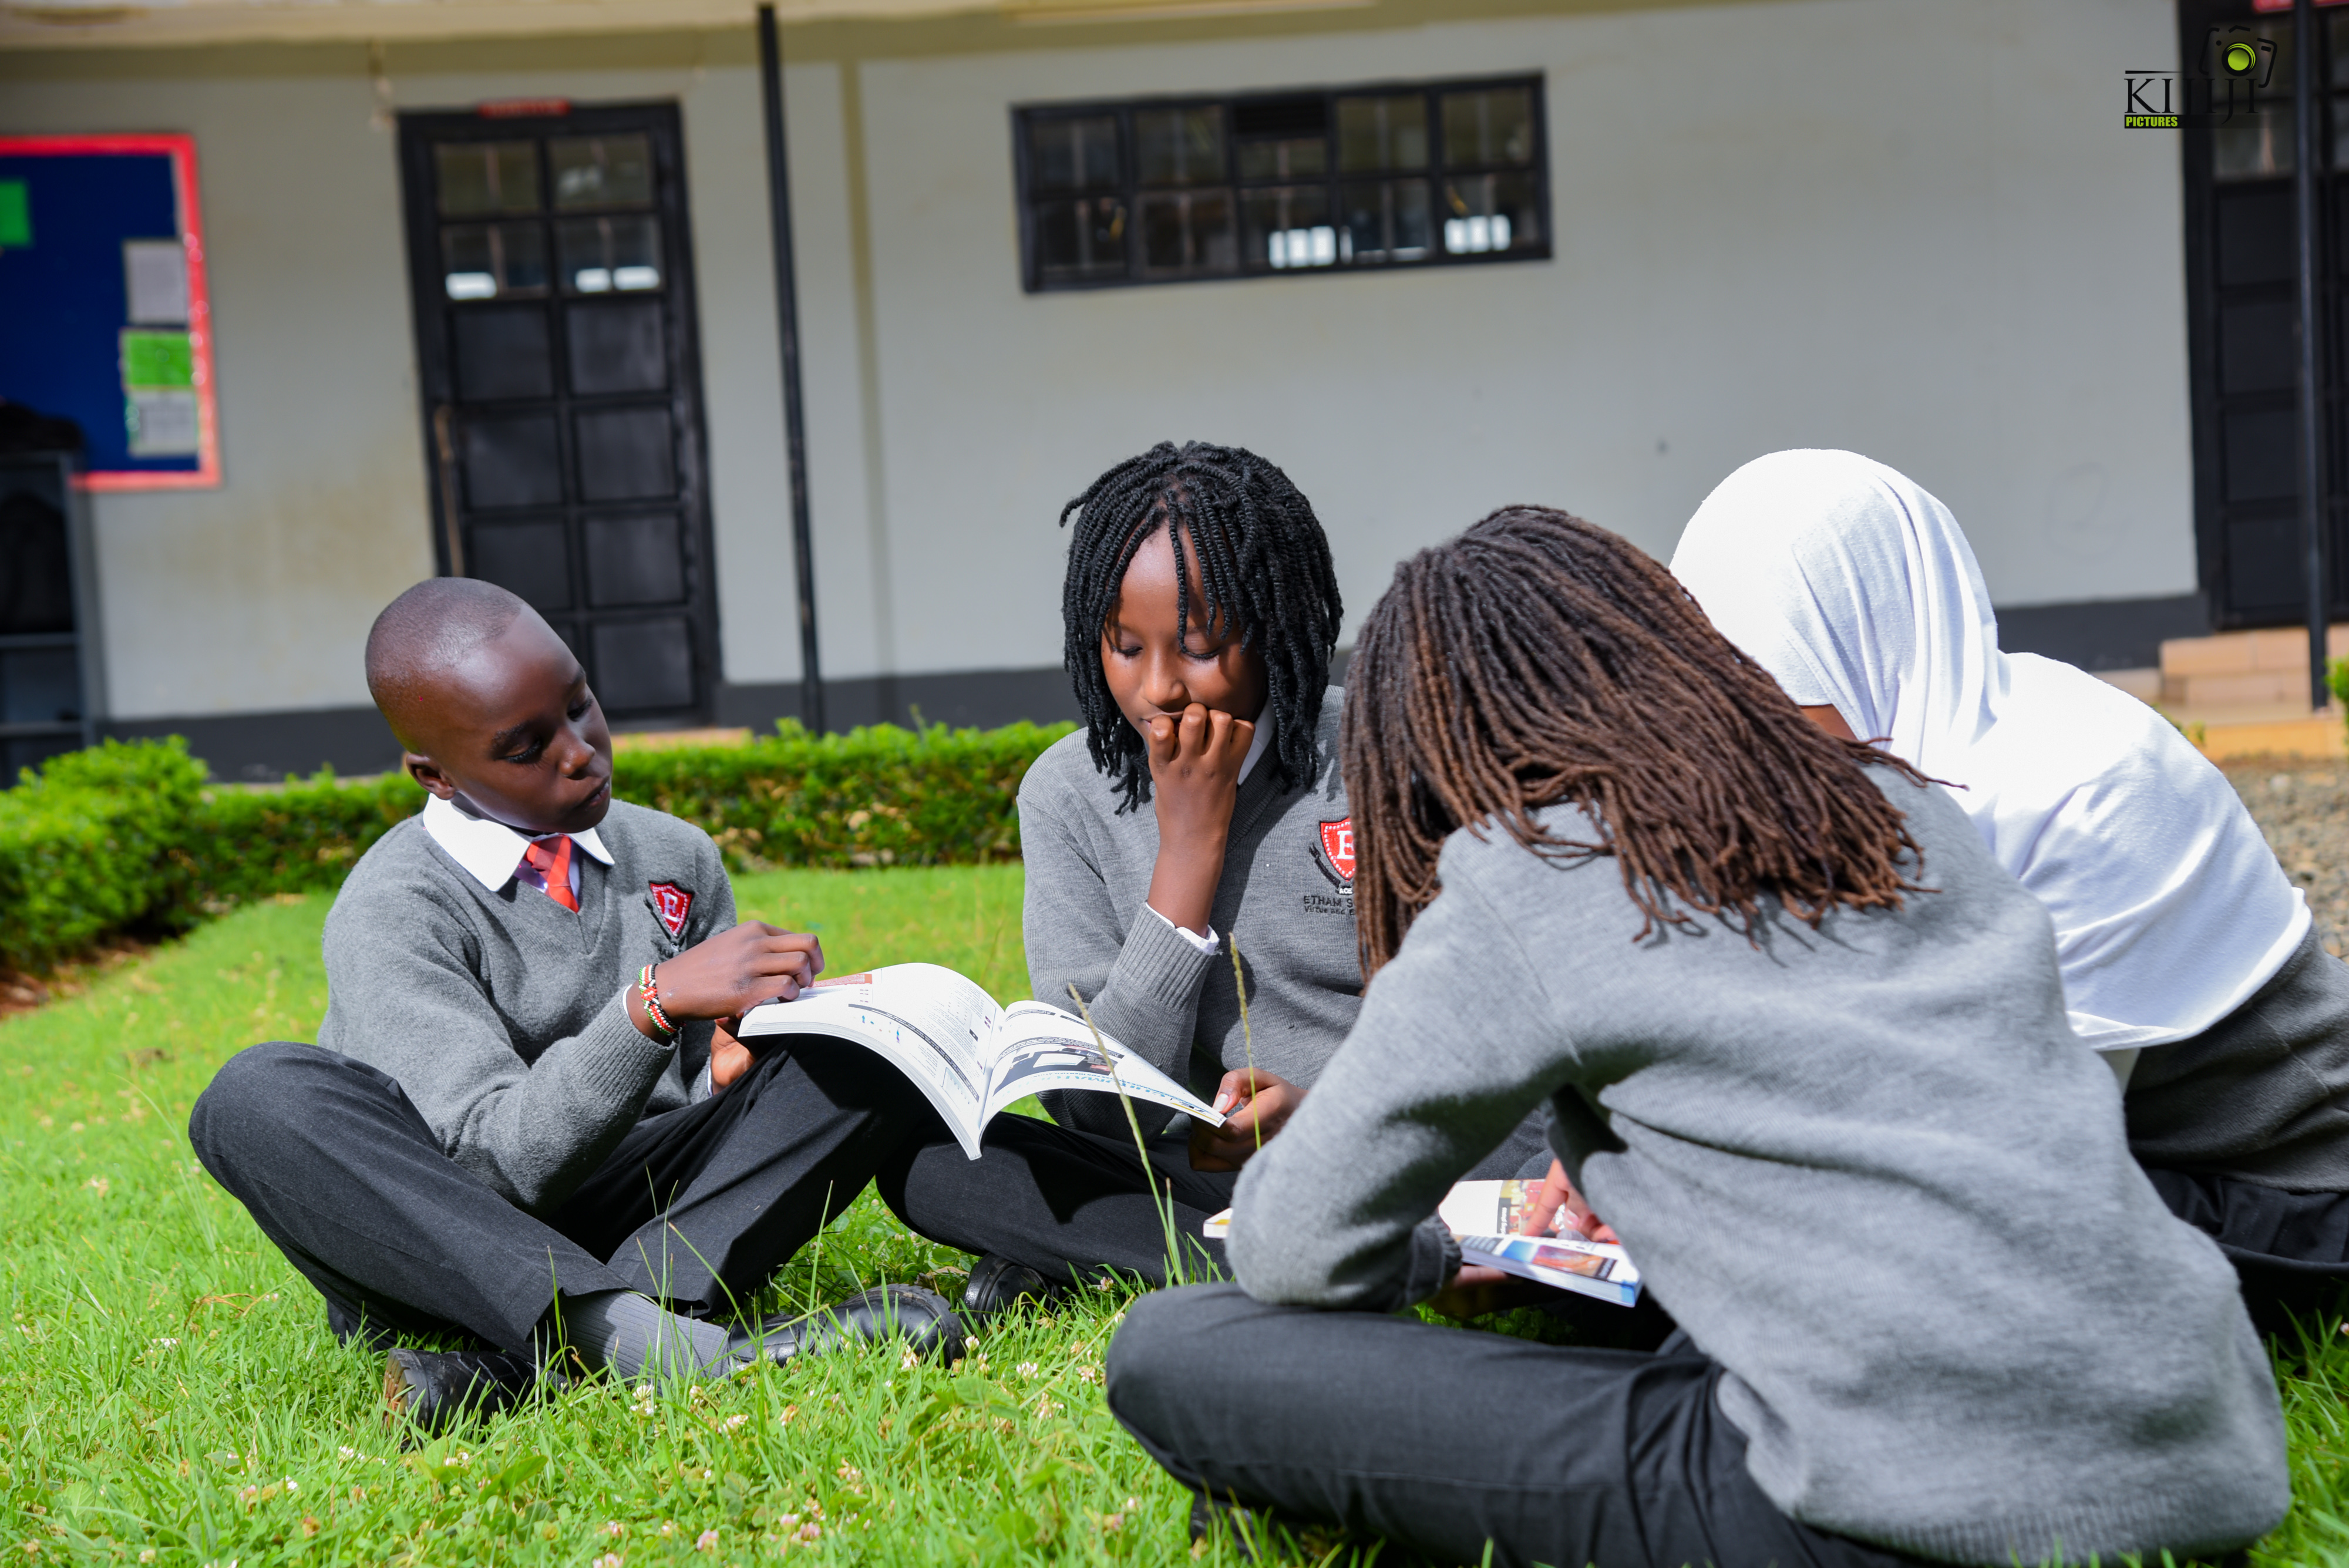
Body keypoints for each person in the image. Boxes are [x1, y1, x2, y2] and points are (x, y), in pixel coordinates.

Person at [1106, 507, 2289, 1568]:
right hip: (2204, 1454)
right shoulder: (1891, 803)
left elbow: (1291, 1245)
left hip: (1886, 1507)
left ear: (1425, 752)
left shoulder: (1525, 873)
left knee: (1175, 1346)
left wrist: (1433, 1256)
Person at [190, 580, 958, 1433]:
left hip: (640, 1219)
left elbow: (694, 1099)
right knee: (254, 1095)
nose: (581, 750)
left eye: (580, 704)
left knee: (873, 1054)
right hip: (441, 1240)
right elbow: (489, 1166)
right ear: (435, 774)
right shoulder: (393, 907)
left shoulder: (675, 855)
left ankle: (526, 1366)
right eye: (526, 746)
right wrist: (651, 1007)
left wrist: (751, 1061)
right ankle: (674, 1349)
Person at [1669, 448, 2349, 1318]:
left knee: (1911, 1246)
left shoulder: (2078, 787)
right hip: (2058, 1147)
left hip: (2275, 1185)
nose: (1747, 747)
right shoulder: (1840, 779)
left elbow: (2020, 1157)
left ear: (1871, 649)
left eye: (1778, 699)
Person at [879, 442, 1546, 1308]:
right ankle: (1300, 1261)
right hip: (1202, 1180)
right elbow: (1093, 1109)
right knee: (938, 1165)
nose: (1157, 687)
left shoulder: (1390, 753)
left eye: (1200, 646)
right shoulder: (1066, 794)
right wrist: (1185, 857)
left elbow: (1496, 1031)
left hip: (1402, 1154)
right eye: (1124, 647)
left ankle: (1176, 1258)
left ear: (1276, 625)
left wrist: (1327, 1116)